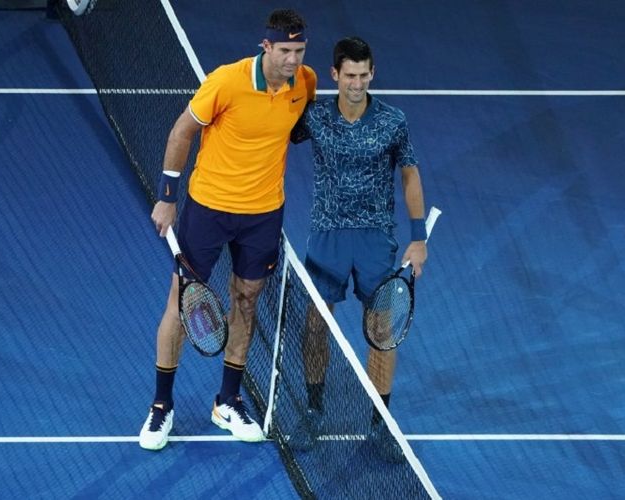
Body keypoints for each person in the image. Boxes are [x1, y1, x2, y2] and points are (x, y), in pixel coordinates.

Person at [139, 9, 317, 451]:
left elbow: (295, 130)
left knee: (247, 298)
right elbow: (182, 133)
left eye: (300, 51)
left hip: (263, 215)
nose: (293, 60)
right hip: (209, 209)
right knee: (181, 302)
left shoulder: (305, 82)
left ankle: (228, 400)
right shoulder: (226, 81)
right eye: (286, 51)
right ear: (267, 47)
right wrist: (166, 196)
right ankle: (161, 406)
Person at [290, 37, 428, 459]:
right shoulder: (313, 117)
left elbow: (409, 176)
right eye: (348, 75)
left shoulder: (393, 121)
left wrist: (418, 237)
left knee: (382, 333)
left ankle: (380, 423)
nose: (356, 83)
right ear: (334, 75)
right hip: (327, 235)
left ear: (372, 73)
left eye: (363, 75)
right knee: (316, 325)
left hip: (375, 237)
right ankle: (313, 410)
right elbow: (272, 129)